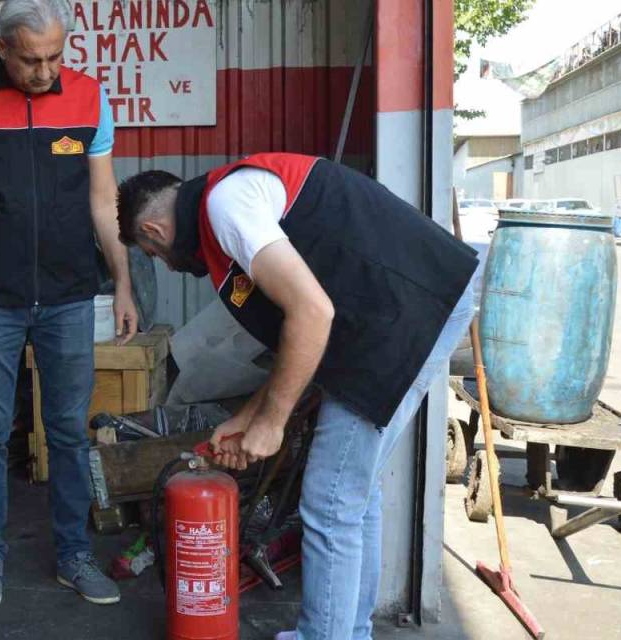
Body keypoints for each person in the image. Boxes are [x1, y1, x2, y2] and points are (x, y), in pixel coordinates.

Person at [115, 153, 480, 640]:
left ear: (154, 232)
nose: (165, 264)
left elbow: (312, 312)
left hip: (403, 316)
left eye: (153, 254)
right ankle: (347, 632)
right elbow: (299, 337)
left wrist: (273, 422)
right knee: (353, 495)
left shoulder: (225, 205)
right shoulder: (223, 210)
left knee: (330, 503)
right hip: (399, 313)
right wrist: (251, 415)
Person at [0, 0, 138, 610]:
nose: (45, 71)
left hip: (71, 296)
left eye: (54, 57)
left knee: (69, 431)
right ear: (2, 49)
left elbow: (104, 202)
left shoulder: (88, 97)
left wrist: (120, 282)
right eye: (31, 60)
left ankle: (74, 554)